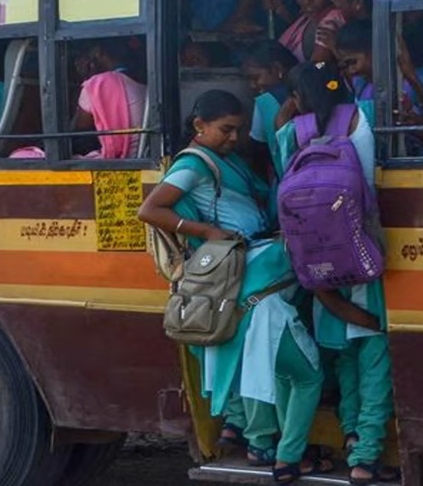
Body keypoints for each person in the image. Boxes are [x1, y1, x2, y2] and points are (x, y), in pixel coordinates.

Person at [138, 90, 332, 483]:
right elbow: (151, 209)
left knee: (259, 364)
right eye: (226, 129)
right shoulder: (194, 165)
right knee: (295, 371)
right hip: (246, 272)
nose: (234, 137)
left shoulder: (227, 161)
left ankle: (261, 443)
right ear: (199, 126)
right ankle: (285, 455)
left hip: (247, 275)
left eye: (240, 130)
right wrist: (207, 231)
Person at [273, 63, 397, 486]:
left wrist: (287, 114)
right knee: (375, 352)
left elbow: (280, 176)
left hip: (315, 258)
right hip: (365, 252)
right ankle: (366, 456)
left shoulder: (292, 131)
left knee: (343, 354)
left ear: (299, 96)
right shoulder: (369, 114)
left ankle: (349, 435)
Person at [335, 20, 423, 151]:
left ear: (378, 51)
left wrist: (412, 79)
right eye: (346, 65)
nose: (351, 71)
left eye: (353, 62)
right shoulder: (362, 87)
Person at [72, 38, 147, 159]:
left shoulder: (97, 84)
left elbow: (77, 131)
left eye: (85, 55)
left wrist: (86, 79)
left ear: (98, 52)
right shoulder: (139, 81)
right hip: (141, 157)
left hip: (118, 161)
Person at [241, 41, 300, 184]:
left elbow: (258, 151)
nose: (252, 85)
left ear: (277, 68)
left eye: (255, 77)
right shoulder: (315, 88)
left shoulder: (265, 102)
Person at [268, 0, 346, 64]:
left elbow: (319, 65)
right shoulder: (306, 18)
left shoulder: (331, 21)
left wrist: (299, 72)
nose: (307, 0)